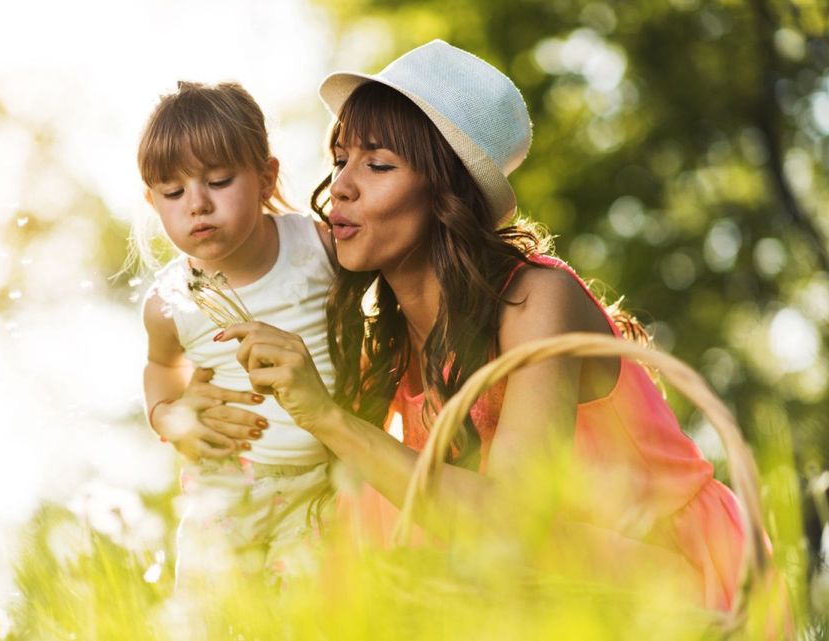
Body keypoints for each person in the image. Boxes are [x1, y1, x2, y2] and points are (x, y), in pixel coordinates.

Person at [216, 40, 748, 611]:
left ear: (447, 195)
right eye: (341, 158)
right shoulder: (388, 346)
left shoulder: (538, 299)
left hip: (677, 581)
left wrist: (327, 416)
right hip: (561, 589)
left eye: (378, 164)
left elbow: (511, 528)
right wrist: (192, 413)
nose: (342, 185)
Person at [135, 81, 337, 585]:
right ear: (153, 201)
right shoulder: (169, 302)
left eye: (219, 180)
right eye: (173, 193)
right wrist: (169, 417)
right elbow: (162, 368)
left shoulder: (317, 248)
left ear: (266, 178)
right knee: (214, 615)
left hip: (328, 481)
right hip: (225, 486)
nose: (197, 204)